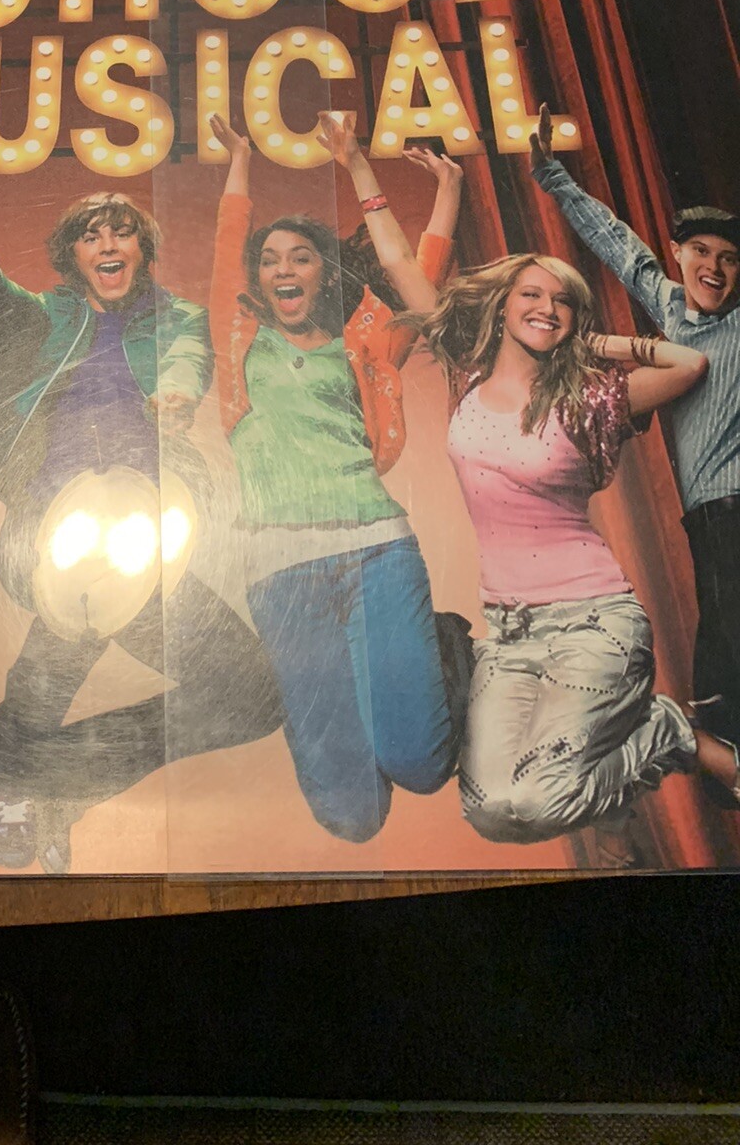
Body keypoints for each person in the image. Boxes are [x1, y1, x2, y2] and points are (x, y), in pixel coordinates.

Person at [0, 189, 284, 874]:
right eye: (92, 236)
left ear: (142, 250)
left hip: (140, 515)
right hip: (52, 512)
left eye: (122, 233)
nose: (108, 246)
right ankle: (17, 776)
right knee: (73, 619)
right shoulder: (53, 312)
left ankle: (33, 776)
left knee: (250, 696)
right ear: (74, 256)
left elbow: (187, 359)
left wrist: (175, 396)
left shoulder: (178, 317)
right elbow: (6, 304)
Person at [418, 248, 740, 852]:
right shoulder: (467, 379)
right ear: (502, 305)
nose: (547, 307)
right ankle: (628, 772)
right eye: (532, 294)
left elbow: (691, 363)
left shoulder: (589, 401)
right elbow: (408, 272)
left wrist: (595, 343)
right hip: (508, 636)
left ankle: (671, 732)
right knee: (489, 812)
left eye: (563, 301)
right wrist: (368, 191)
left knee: (541, 798)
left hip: (595, 624)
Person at [207, 109, 466, 843]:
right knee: (352, 817)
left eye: (301, 257)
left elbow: (422, 271)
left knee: (421, 764)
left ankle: (448, 652)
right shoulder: (238, 339)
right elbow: (227, 247)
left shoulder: (367, 343)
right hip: (280, 571)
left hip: (376, 550)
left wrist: (433, 185)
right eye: (270, 261)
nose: (283, 270)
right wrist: (240, 159)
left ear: (324, 271)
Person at [532, 105, 740, 764]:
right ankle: (722, 758)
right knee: (722, 636)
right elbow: (617, 243)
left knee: (727, 639)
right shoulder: (672, 310)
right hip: (708, 513)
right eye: (701, 252)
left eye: (730, 259)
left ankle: (722, 756)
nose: (714, 267)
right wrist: (551, 174)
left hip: (732, 505)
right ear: (678, 255)